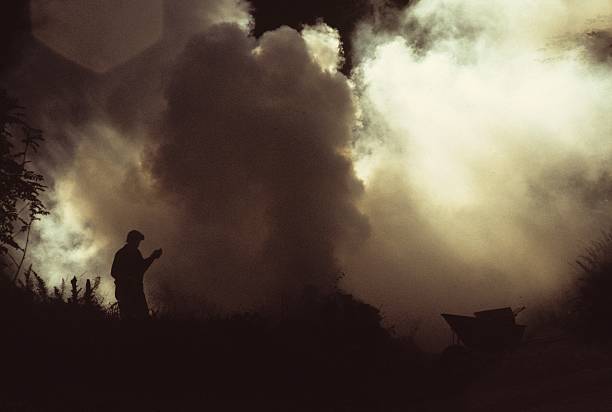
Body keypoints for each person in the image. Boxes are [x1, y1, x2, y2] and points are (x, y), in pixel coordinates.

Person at [111, 230, 162, 320]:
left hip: (135, 291)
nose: (138, 244)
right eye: (137, 241)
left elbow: (141, 269)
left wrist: (152, 257)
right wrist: (127, 279)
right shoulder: (121, 254)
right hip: (126, 292)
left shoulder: (135, 253)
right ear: (131, 240)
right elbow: (114, 272)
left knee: (140, 317)